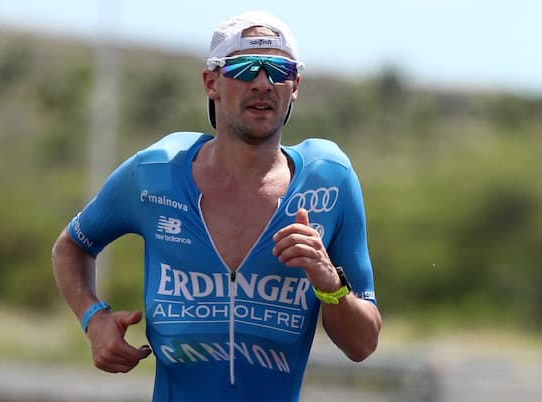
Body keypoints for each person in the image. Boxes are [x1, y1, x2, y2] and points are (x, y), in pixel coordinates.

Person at [51, 10, 382, 402]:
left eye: (279, 69)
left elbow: (363, 344)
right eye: (244, 68)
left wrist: (329, 284)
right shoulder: (156, 173)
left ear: (295, 86)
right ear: (212, 82)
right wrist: (94, 319)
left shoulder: (330, 181)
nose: (263, 82)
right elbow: (72, 246)